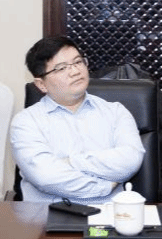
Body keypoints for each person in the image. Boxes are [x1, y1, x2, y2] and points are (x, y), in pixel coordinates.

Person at [11, 36, 144, 205]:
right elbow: (46, 177)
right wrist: (104, 187)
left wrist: (70, 162)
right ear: (41, 84)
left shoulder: (116, 112)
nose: (75, 71)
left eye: (78, 62)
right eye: (61, 68)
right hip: (48, 215)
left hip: (109, 214)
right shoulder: (26, 122)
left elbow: (130, 160)